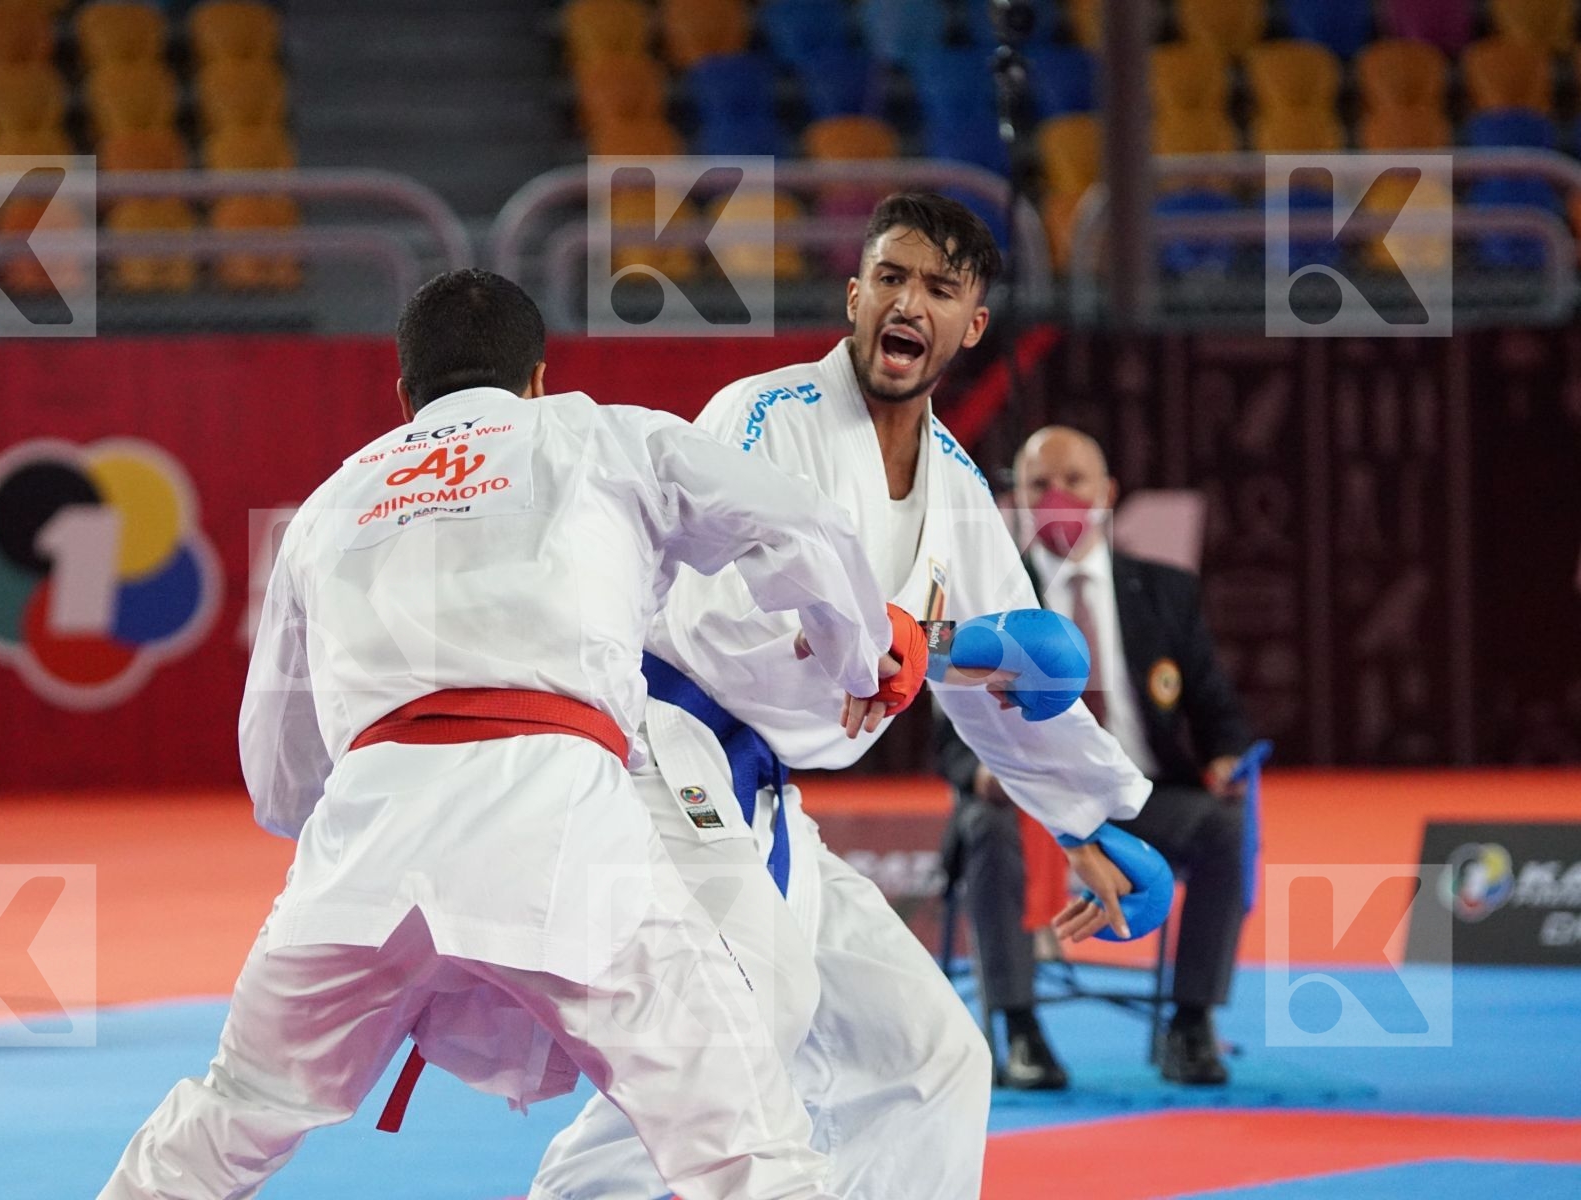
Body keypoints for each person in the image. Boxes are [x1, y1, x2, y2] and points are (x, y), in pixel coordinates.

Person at [97, 269, 924, 1200]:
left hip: (362, 856)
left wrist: (380, 843)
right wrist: (863, 658)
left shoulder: (328, 506)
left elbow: (280, 780)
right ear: (538, 377)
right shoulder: (601, 431)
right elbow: (796, 523)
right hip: (564, 828)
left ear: (404, 395)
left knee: (233, 1113)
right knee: (743, 1150)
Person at [530, 194, 1153, 1200]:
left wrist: (1095, 820)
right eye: (893, 279)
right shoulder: (763, 415)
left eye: (940, 289)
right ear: (856, 295)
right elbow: (721, 612)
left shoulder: (954, 484)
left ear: (971, 326)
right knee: (742, 1019)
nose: (910, 303)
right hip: (670, 748)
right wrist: (882, 647)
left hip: (767, 795)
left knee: (930, 1056)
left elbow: (1010, 681)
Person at [935, 425, 1255, 1088]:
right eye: (1038, 485)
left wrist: (1227, 759)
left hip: (1135, 796)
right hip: (1025, 802)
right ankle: (1021, 1030)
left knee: (1222, 825)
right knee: (984, 826)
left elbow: (1216, 710)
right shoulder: (986, 591)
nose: (1057, 497)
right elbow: (947, 735)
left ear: (1107, 492)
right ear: (1015, 501)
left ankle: (1191, 1024)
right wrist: (982, 773)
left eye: (1073, 482)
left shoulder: (1164, 590)